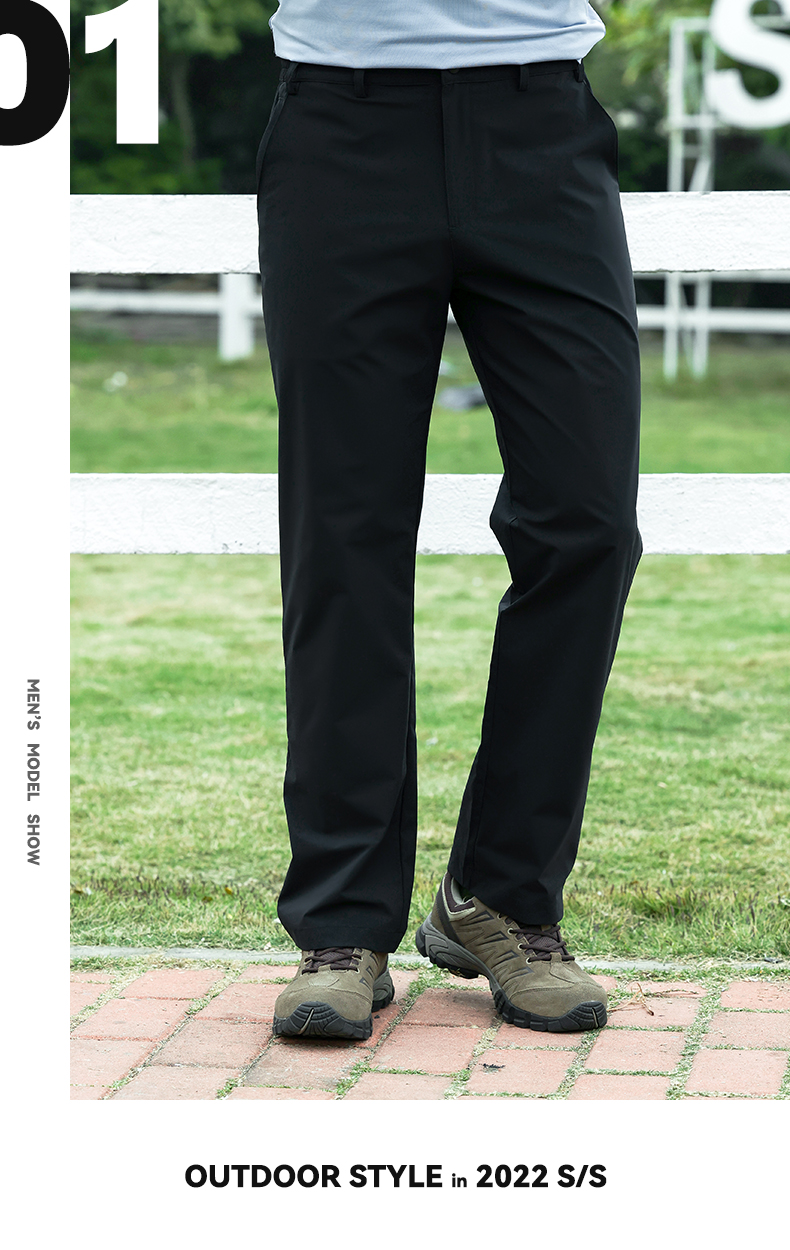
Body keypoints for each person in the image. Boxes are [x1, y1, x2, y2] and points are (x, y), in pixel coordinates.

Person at [256, 1, 642, 1040]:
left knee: (589, 519)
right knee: (344, 533)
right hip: (342, 124)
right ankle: (342, 927)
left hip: (541, 122)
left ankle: (500, 896)